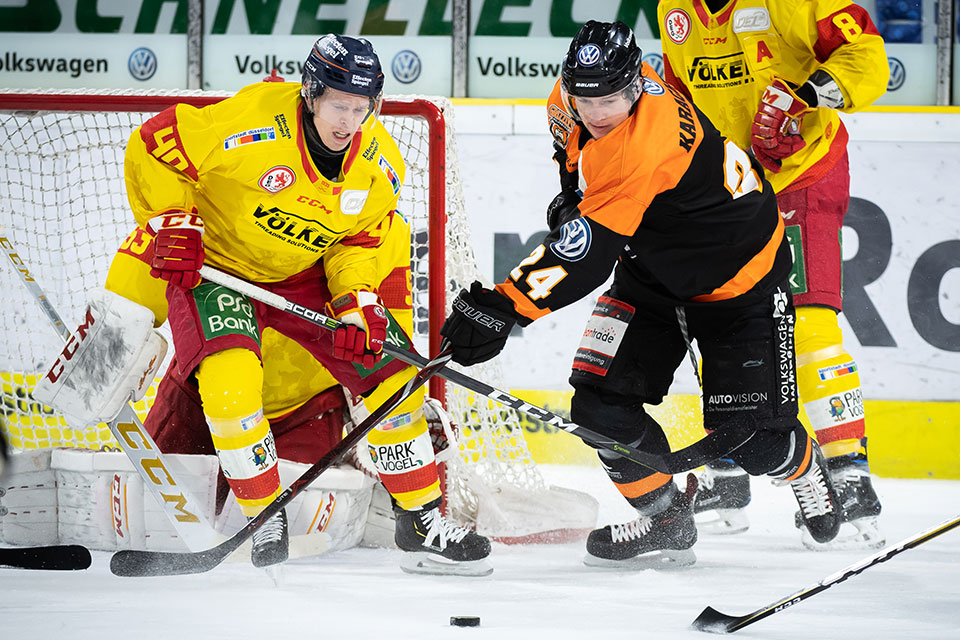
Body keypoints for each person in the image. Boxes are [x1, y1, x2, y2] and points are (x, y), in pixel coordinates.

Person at [442, 20, 843, 568]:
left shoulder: (644, 145)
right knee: (598, 408)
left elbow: (584, 257)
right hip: (651, 274)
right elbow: (574, 162)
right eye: (587, 99)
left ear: (636, 86)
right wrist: (571, 202)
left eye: (610, 99)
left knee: (750, 440)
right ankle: (666, 518)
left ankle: (804, 465)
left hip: (740, 276)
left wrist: (505, 306)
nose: (597, 112)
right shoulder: (571, 100)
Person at [121, 35, 489, 573]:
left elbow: (358, 240)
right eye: (339, 105)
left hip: (300, 275)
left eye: (361, 108)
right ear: (312, 93)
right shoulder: (254, 120)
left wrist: (356, 300)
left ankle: (421, 519)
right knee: (231, 380)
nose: (349, 121)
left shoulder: (379, 163)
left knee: (390, 372)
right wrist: (171, 219)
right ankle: (264, 514)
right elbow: (154, 144)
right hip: (219, 268)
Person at [657, 0, 888, 549]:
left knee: (807, 324)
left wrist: (807, 97)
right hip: (729, 188)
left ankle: (849, 474)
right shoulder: (672, 7)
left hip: (802, 174)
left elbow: (868, 56)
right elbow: (678, 101)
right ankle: (732, 470)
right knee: (722, 320)